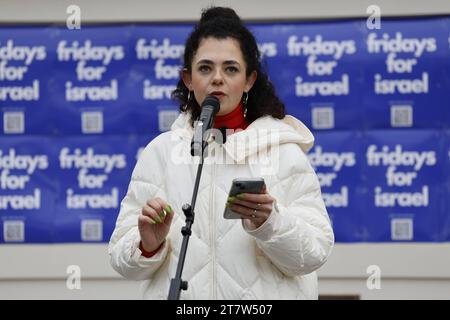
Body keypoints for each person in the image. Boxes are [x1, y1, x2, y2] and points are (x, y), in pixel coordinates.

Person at [108, 6, 334, 300]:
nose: (217, 78)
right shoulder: (161, 153)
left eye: (230, 68)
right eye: (205, 68)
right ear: (188, 79)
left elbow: (313, 254)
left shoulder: (284, 153)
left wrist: (270, 223)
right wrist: (147, 245)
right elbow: (121, 259)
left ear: (249, 79)